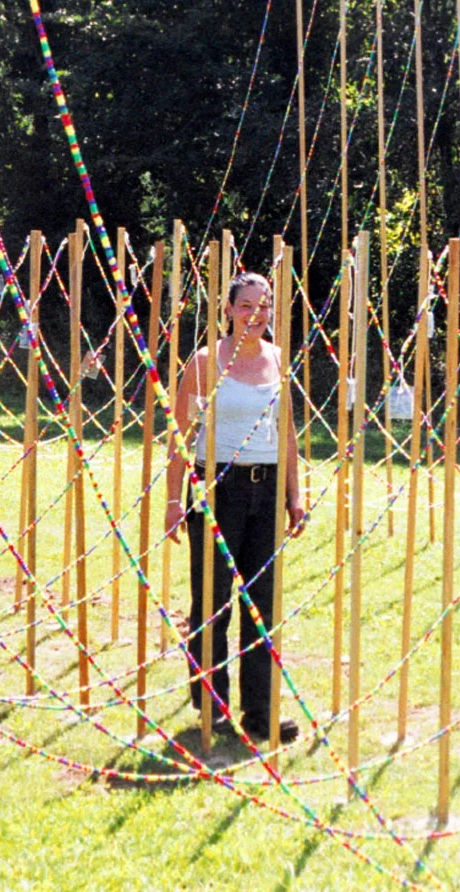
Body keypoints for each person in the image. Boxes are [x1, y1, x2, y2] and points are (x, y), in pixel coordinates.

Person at [165, 270, 305, 743]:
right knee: (212, 601)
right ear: (227, 310)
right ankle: (212, 705)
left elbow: (286, 431)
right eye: (246, 305)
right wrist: (173, 501)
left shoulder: (278, 359)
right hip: (217, 488)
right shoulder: (206, 362)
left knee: (262, 603)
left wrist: (294, 495)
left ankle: (261, 711)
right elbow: (182, 435)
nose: (255, 314)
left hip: (267, 490)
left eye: (263, 306)